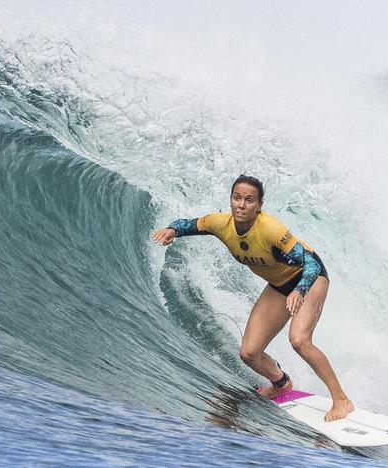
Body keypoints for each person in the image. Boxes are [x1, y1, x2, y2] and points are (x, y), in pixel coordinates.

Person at [152, 174, 354, 422]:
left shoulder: (270, 229)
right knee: (249, 353)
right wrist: (172, 230)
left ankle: (341, 399)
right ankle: (281, 383)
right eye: (237, 198)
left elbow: (309, 263)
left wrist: (299, 291)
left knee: (299, 340)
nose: (241, 204)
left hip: (309, 278)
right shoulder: (220, 224)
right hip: (280, 284)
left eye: (249, 200)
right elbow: (190, 224)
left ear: (259, 206)